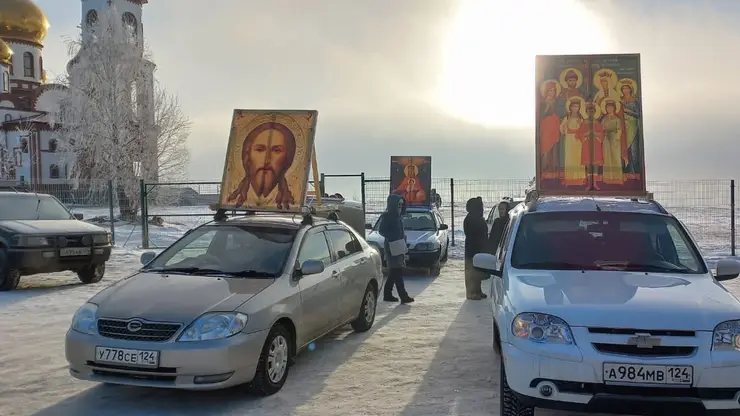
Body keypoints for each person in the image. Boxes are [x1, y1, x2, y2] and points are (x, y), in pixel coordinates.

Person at [227, 121, 297, 209]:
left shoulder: (292, 198)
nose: (266, 160)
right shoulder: (235, 199)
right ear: (247, 154)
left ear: (287, 158)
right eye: (260, 150)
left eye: (277, 150)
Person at [378, 193, 414, 304]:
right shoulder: (387, 216)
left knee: (394, 271)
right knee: (397, 270)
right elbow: (382, 231)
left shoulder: (399, 216)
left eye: (402, 205)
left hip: (399, 245)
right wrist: (393, 237)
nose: (400, 206)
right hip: (392, 246)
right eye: (399, 204)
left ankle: (387, 294)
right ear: (393, 205)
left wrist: (402, 238)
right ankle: (403, 296)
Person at [463, 197, 488, 300]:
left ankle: (478, 290)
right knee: (472, 272)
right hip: (473, 248)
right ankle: (472, 292)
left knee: (478, 271)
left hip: (479, 248)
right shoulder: (471, 219)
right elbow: (473, 235)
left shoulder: (477, 217)